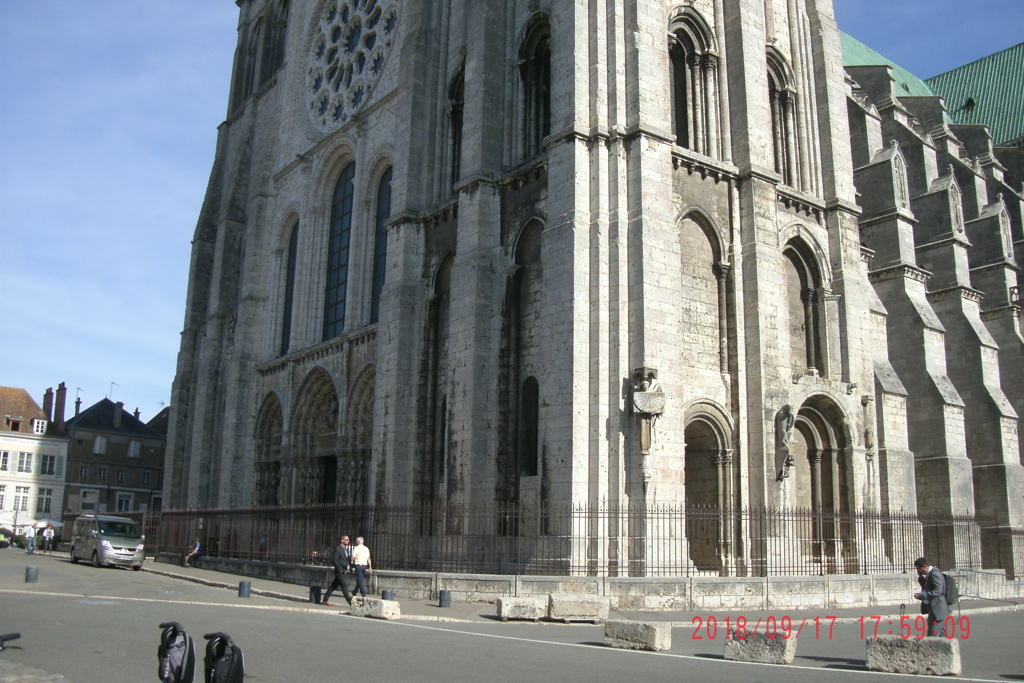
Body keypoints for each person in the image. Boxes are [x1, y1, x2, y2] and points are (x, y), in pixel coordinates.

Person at [913, 557, 950, 636]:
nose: (918, 571)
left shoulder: (934, 574)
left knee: (932, 636)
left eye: (918, 569)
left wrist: (922, 596)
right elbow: (927, 587)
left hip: (937, 610)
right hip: (934, 610)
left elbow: (937, 591)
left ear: (924, 566)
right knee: (942, 635)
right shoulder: (929, 574)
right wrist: (920, 577)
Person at [322, 535, 353, 606]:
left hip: (344, 570)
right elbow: (335, 559)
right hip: (339, 571)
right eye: (346, 540)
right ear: (342, 540)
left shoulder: (345, 549)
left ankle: (325, 599)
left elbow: (345, 560)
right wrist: (340, 569)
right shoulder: (338, 549)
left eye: (348, 540)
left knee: (333, 586)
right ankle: (350, 601)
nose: (348, 541)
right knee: (344, 586)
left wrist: (348, 567)